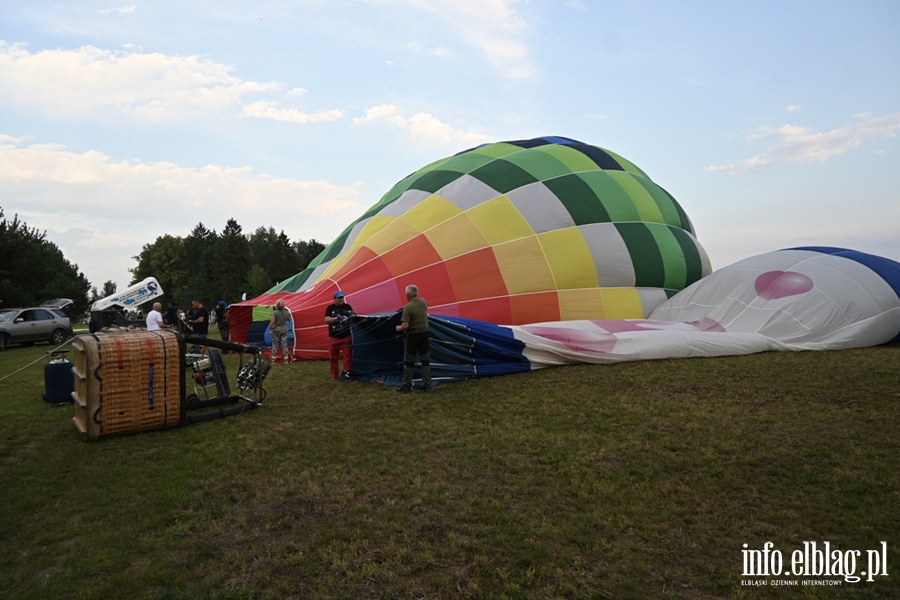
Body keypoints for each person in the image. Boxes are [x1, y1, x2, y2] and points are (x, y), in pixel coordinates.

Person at [395, 284, 432, 393]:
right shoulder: (423, 302)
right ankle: (428, 386)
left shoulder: (408, 308)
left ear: (407, 295)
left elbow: (405, 326)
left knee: (409, 361)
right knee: (425, 361)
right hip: (425, 333)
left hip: (413, 336)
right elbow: (419, 308)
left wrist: (398, 328)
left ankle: (406, 387)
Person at [324, 291, 355, 380]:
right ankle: (334, 375)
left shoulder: (347, 306)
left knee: (347, 356)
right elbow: (326, 320)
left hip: (346, 336)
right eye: (339, 298)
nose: (341, 299)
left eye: (342, 297)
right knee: (333, 357)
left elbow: (352, 317)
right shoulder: (330, 308)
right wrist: (337, 318)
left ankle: (347, 374)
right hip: (334, 336)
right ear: (335, 299)